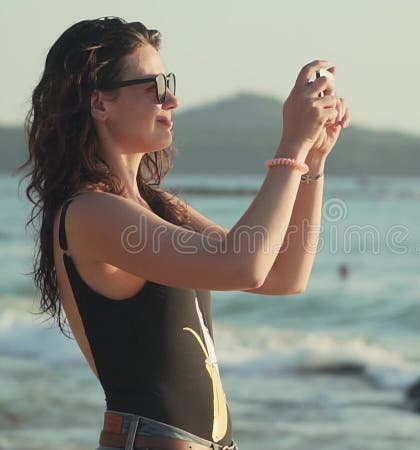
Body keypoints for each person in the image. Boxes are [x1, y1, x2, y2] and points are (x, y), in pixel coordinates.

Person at [18, 16, 351, 450]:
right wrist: (290, 146)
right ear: (100, 104)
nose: (171, 99)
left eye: (168, 82)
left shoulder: (156, 206)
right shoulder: (88, 213)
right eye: (153, 87)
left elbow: (282, 277)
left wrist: (313, 160)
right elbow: (243, 266)